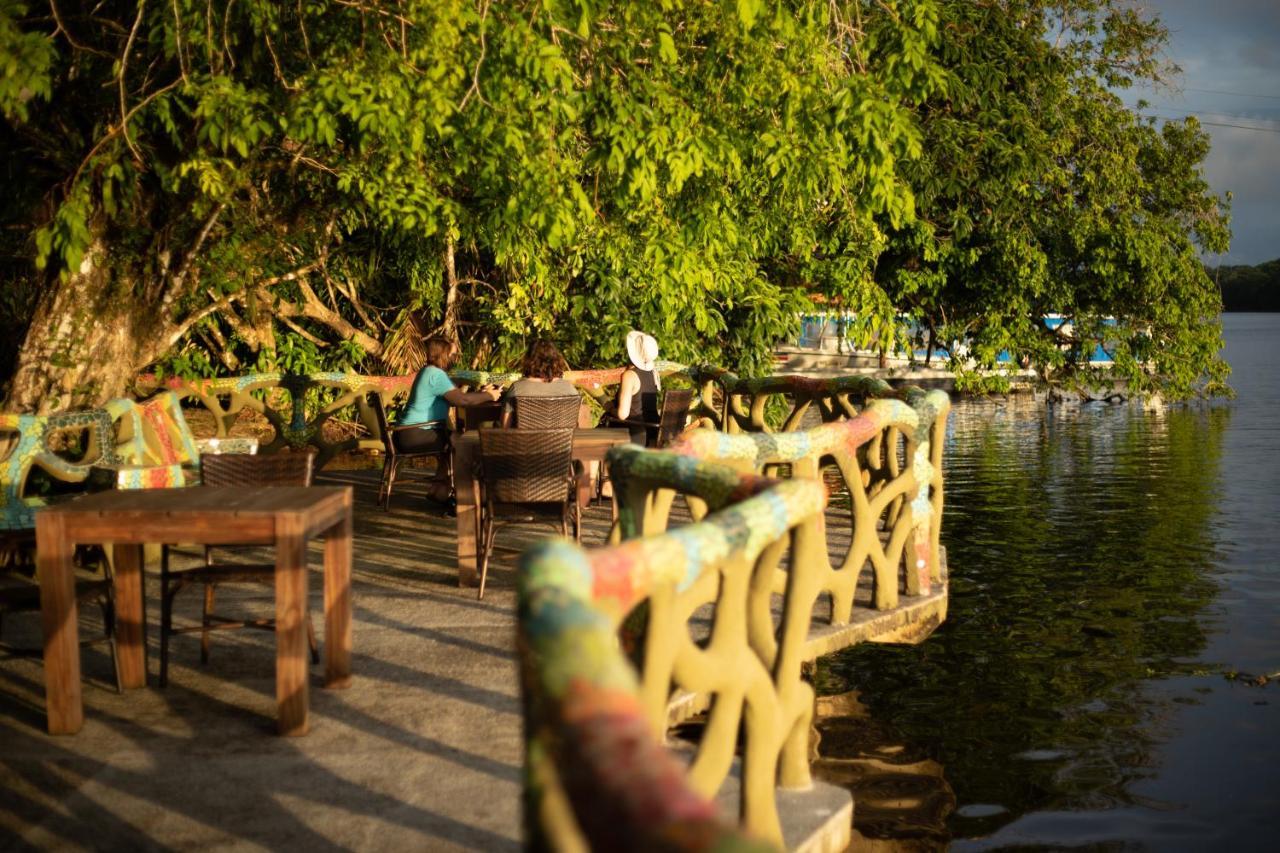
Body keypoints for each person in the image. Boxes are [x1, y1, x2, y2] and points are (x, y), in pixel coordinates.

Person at [397, 335, 501, 503]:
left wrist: (482, 393)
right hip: (416, 434)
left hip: (408, 432)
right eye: (452, 355)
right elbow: (463, 400)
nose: (454, 359)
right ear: (443, 354)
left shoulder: (428, 371)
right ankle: (461, 495)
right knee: (463, 443)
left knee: (453, 439)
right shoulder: (436, 375)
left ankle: (439, 490)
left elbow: (457, 397)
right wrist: (490, 395)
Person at [500, 340, 579, 427]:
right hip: (562, 440)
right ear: (556, 361)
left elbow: (505, 426)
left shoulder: (517, 388)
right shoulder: (569, 388)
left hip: (525, 440)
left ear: (528, 360)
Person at [613, 330, 661, 446]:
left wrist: (608, 407)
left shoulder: (629, 375)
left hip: (633, 434)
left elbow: (622, 414)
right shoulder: (654, 373)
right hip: (653, 432)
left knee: (590, 441)